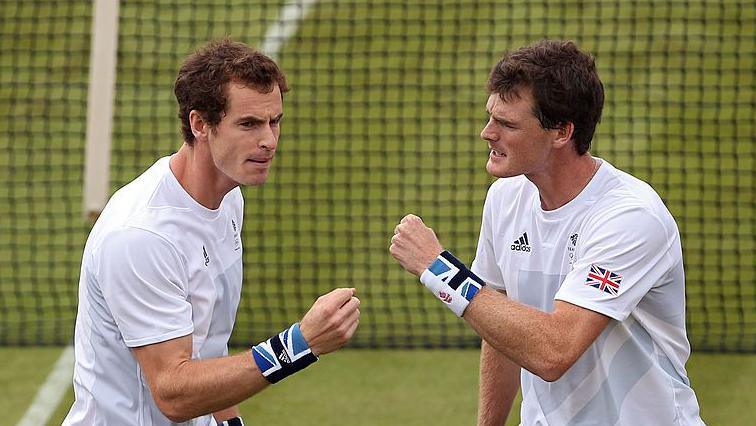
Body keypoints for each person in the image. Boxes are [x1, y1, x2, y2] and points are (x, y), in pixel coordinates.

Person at [390, 40, 704, 425]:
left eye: (507, 124)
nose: (487, 133)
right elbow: (500, 327)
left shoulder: (630, 218)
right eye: (491, 117)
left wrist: (439, 270)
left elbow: (553, 351)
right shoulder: (505, 198)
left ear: (561, 132)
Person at [64, 39, 360, 425]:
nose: (269, 141)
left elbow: (209, 348)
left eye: (275, 122)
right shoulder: (142, 237)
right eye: (249, 124)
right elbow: (173, 393)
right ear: (200, 124)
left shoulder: (228, 198)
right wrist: (299, 345)